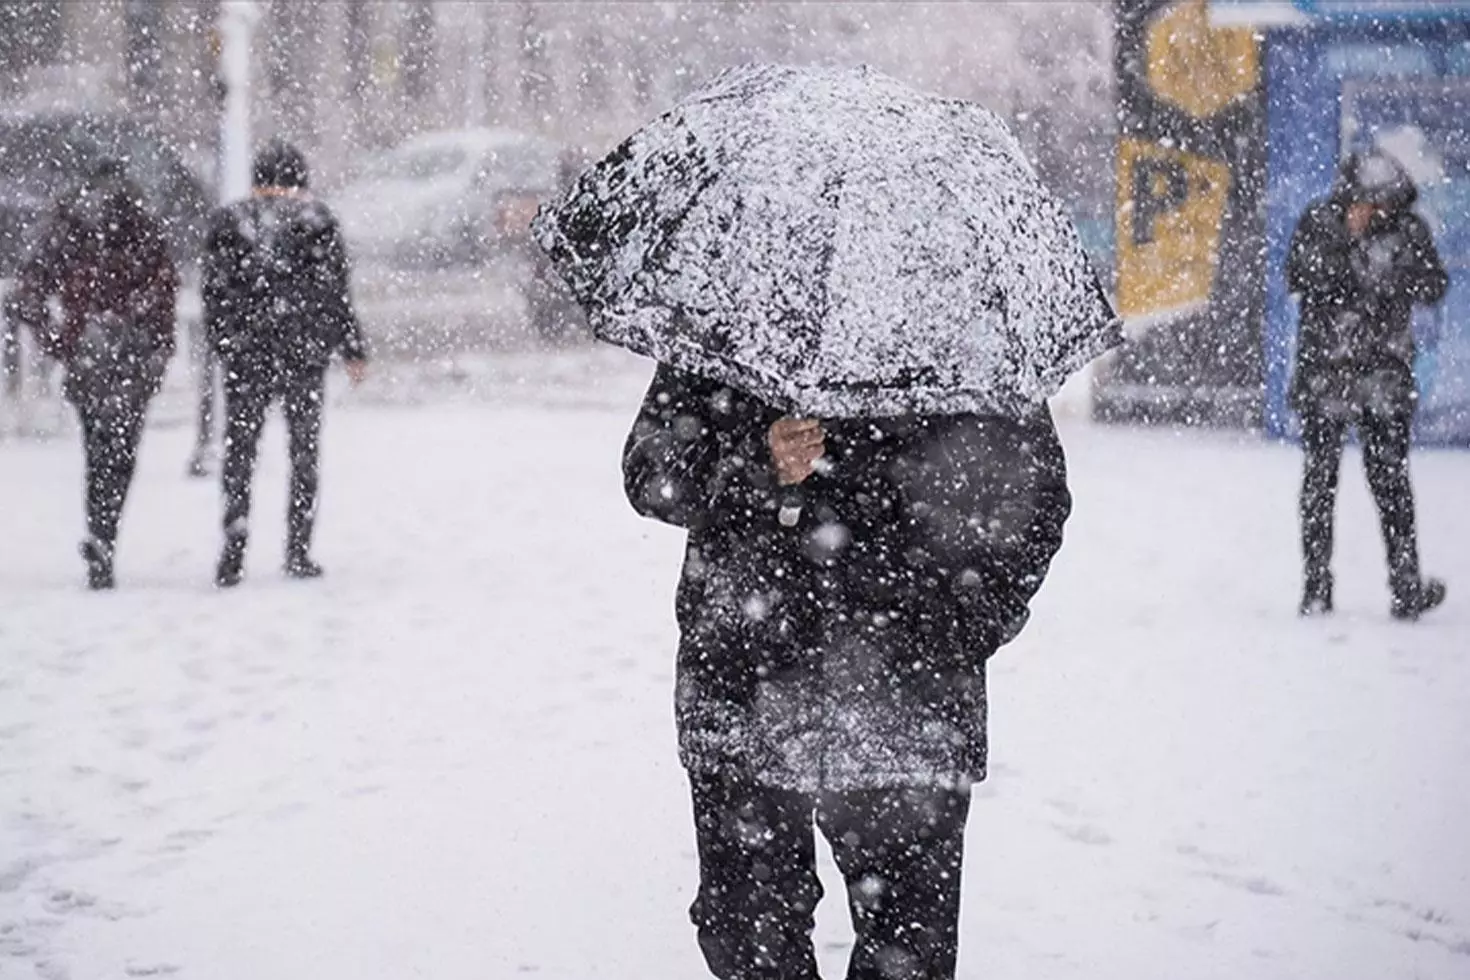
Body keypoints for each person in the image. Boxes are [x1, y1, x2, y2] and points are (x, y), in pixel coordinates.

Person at [623, 364, 1072, 980]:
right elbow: (651, 471)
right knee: (747, 937)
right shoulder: (740, 309)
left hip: (908, 703)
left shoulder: (960, 326)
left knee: (909, 955)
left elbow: (1035, 497)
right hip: (746, 687)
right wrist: (758, 459)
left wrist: (958, 628)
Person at [1287, 149, 1449, 620]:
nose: (1372, 212)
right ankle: (1316, 586)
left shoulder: (1407, 230)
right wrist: (1350, 251)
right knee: (1320, 481)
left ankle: (1405, 588)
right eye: (1365, 203)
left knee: (1391, 482)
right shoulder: (1320, 223)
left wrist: (1388, 272)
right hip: (1328, 375)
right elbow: (1299, 275)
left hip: (1384, 376)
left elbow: (1434, 283)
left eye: (1382, 205)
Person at [3, 158, 177, 589]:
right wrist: (158, 345)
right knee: (121, 451)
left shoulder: (67, 226)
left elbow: (29, 292)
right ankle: (105, 531)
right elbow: (164, 290)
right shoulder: (143, 224)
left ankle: (100, 533)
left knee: (97, 447)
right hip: (132, 351)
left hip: (87, 350)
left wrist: (59, 341)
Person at [203, 139, 368, 588]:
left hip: (247, 355)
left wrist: (226, 343)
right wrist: (351, 347)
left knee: (240, 450)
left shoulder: (228, 223)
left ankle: (234, 541)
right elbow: (335, 294)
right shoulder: (316, 222)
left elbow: (214, 294)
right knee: (304, 452)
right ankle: (298, 548)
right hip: (303, 355)